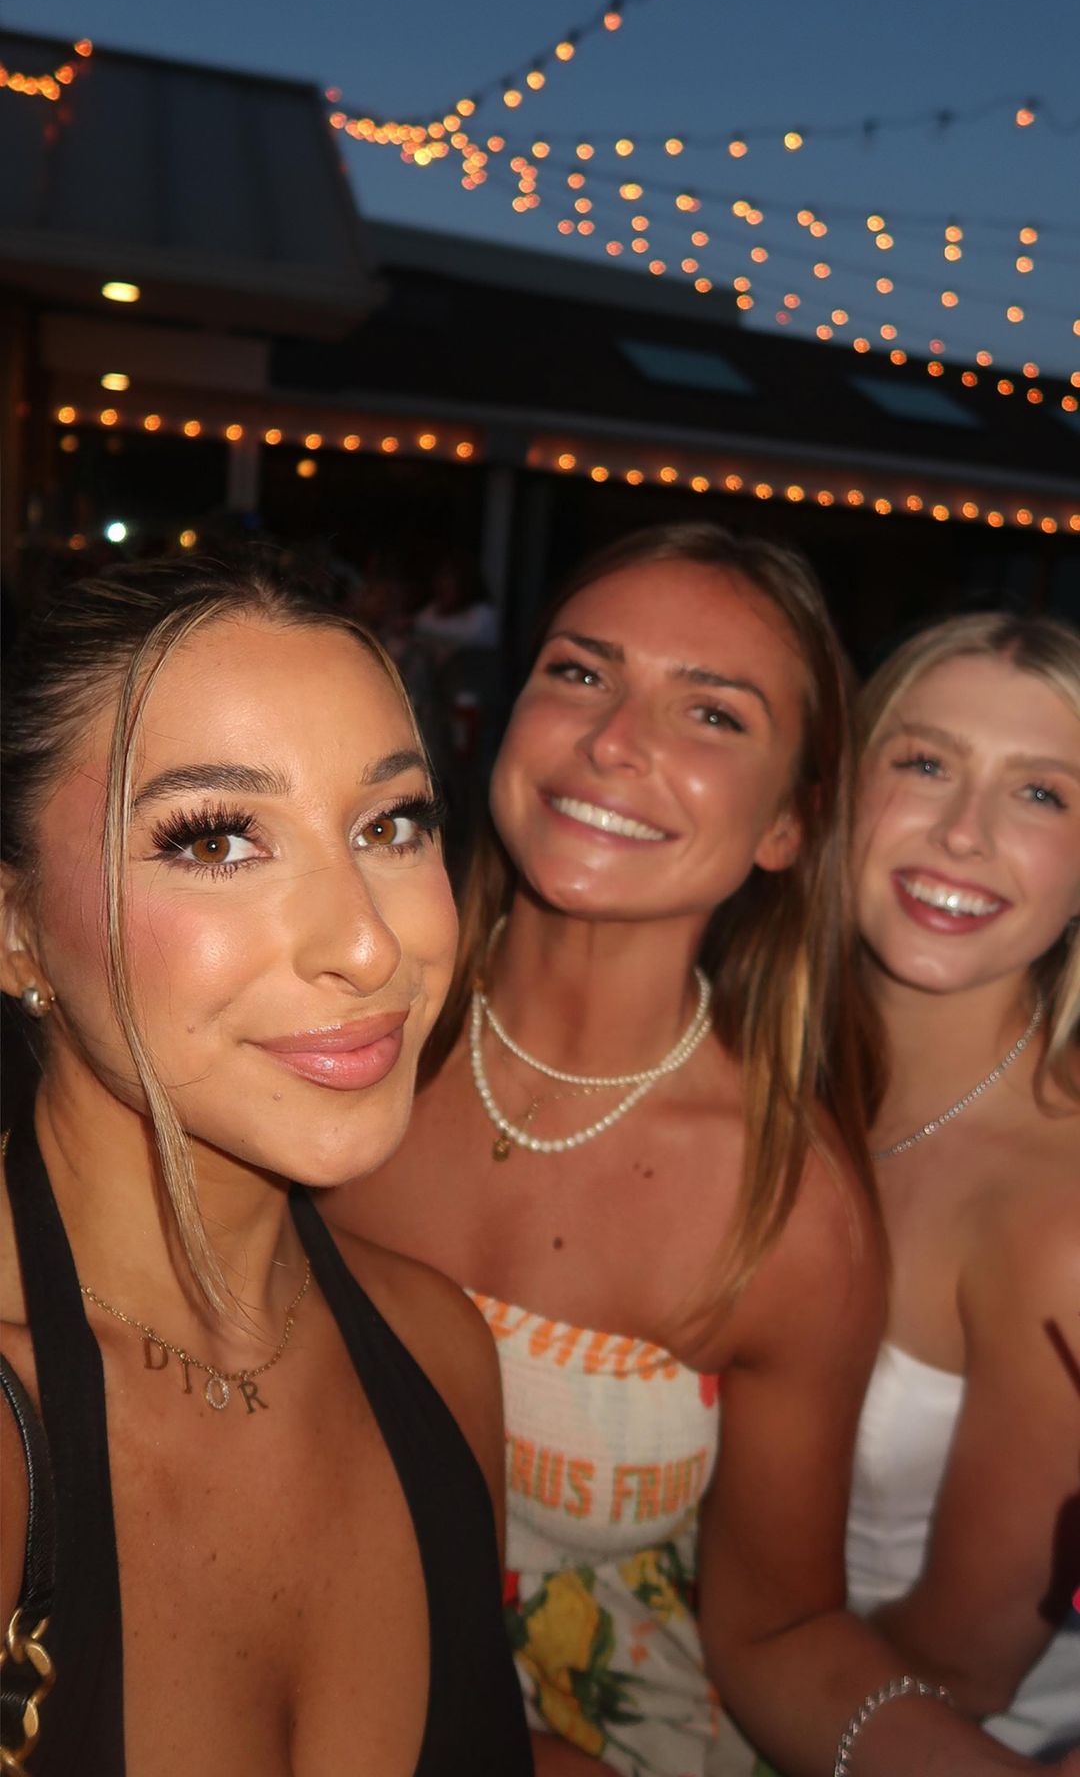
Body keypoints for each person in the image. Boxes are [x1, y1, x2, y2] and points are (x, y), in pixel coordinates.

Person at [326, 523, 1071, 1776]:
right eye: (580, 672)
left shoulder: (787, 1205)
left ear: (790, 825)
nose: (616, 740)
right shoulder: (328, 1024)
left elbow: (780, 1636)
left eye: (713, 714)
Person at [0, 556, 532, 1775]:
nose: (368, 943)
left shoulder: (442, 1354)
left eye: (390, 825)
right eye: (218, 839)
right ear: (17, 928)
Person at [845, 611, 1080, 1758]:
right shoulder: (753, 1070)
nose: (963, 832)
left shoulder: (1062, 1217)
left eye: (1041, 794)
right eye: (926, 763)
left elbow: (964, 1659)